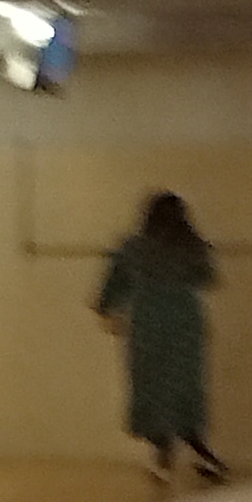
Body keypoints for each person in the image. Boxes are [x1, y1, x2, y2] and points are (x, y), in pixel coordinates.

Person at [96, 190, 225, 486]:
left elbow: (113, 286)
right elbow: (207, 277)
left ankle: (163, 456)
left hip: (147, 326)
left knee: (152, 389)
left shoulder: (132, 247)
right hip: (185, 326)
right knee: (184, 390)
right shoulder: (192, 246)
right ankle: (199, 453)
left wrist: (108, 312)